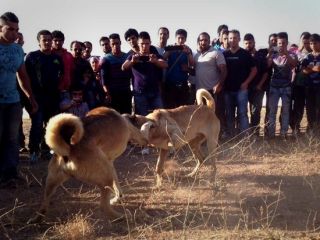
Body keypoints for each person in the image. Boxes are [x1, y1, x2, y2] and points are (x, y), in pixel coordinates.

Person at [0, 12, 37, 185]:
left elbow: (22, 76)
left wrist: (31, 98)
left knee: (12, 138)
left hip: (13, 101)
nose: (15, 33)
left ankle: (11, 174)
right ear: (1, 28)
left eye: (17, 30)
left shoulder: (17, 49)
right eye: (10, 29)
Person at [25, 30, 63, 163]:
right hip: (36, 98)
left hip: (52, 98)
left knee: (51, 126)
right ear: (39, 42)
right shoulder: (31, 57)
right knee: (36, 125)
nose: (47, 42)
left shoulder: (56, 59)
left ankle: (46, 151)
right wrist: (29, 97)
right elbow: (25, 78)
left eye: (49, 40)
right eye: (44, 40)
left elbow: (60, 75)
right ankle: (34, 151)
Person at [122, 31, 167, 116]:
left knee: (161, 116)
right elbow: (123, 67)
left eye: (147, 43)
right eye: (142, 43)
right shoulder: (133, 56)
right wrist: (132, 62)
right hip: (140, 93)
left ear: (150, 43)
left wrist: (155, 61)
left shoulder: (154, 55)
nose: (144, 46)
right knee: (142, 118)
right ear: (138, 44)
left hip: (155, 92)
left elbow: (165, 64)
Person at [223, 30, 257, 138]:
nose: (232, 40)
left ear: (239, 39)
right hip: (227, 90)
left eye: (235, 38)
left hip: (241, 90)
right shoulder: (224, 54)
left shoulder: (245, 54)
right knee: (229, 114)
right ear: (228, 39)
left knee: (242, 113)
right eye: (231, 38)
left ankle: (245, 137)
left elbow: (254, 70)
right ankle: (231, 136)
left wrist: (246, 83)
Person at [194, 32, 227, 138]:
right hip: (200, 92)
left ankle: (220, 135)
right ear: (198, 41)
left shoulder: (216, 53)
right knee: (202, 116)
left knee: (217, 114)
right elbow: (196, 71)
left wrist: (219, 84)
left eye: (206, 40)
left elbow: (224, 70)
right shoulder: (196, 55)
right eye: (201, 40)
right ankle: (205, 136)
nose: (203, 42)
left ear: (209, 41)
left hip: (213, 90)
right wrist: (188, 69)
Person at [266, 32, 297, 139]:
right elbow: (268, 65)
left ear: (287, 43)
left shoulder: (292, 54)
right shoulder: (273, 54)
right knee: (272, 111)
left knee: (285, 111)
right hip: (274, 86)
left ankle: (283, 133)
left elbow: (294, 64)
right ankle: (271, 133)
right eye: (279, 43)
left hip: (286, 87)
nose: (281, 45)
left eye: (283, 43)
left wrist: (286, 54)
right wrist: (270, 54)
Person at [243, 33, 269, 136]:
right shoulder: (243, 55)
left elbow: (265, 72)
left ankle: (255, 132)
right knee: (244, 111)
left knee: (255, 111)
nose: (248, 45)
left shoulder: (260, 56)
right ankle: (245, 132)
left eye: (250, 43)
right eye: (246, 43)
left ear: (254, 43)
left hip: (258, 88)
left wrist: (260, 85)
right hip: (245, 88)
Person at [101, 33, 132, 113]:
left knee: (127, 117)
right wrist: (107, 94)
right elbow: (104, 79)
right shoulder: (106, 59)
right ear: (110, 45)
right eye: (113, 44)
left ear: (120, 43)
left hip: (126, 92)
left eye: (117, 43)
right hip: (113, 94)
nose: (115, 46)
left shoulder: (127, 57)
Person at [162, 29, 194, 108]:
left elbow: (192, 64)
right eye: (179, 38)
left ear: (185, 39)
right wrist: (169, 51)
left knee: (183, 110)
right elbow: (162, 59)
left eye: (182, 38)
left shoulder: (188, 50)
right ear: (175, 38)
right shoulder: (170, 48)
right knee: (170, 109)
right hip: (170, 85)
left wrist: (188, 53)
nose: (180, 40)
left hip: (183, 85)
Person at [290, 32, 312, 134]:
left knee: (310, 107)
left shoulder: (313, 53)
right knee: (298, 107)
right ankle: (296, 127)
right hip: (297, 84)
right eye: (303, 41)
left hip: (311, 84)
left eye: (307, 42)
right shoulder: (295, 52)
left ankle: (310, 127)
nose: (305, 44)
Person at [302, 33, 320, 135]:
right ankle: (311, 128)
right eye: (311, 43)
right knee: (309, 108)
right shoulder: (307, 56)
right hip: (310, 86)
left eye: (315, 43)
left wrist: (310, 68)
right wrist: (313, 69)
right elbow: (303, 70)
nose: (313, 45)